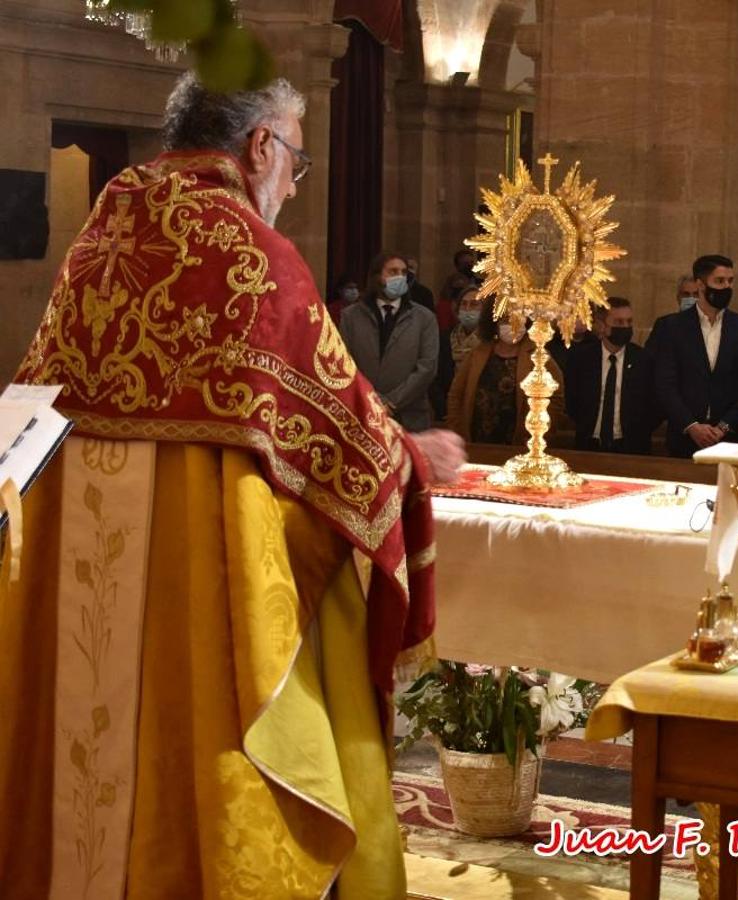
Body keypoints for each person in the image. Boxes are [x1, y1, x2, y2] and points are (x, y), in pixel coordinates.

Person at [1, 71, 464, 899]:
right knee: (206, 753)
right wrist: (411, 459)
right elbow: (344, 431)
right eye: (296, 157)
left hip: (78, 591)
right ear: (260, 148)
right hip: (204, 583)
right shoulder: (253, 255)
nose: (293, 179)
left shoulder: (102, 238)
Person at [653, 254, 738, 457]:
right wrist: (691, 425)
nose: (726, 287)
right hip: (684, 437)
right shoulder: (672, 327)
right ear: (700, 285)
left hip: (730, 438)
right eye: (719, 281)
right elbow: (665, 383)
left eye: (730, 281)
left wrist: (724, 427)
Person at [339, 252, 442, 432]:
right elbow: (344, 363)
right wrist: (372, 400)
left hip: (410, 417)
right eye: (393, 272)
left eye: (403, 273)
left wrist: (391, 402)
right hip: (363, 413)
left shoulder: (424, 318)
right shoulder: (351, 316)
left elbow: (427, 367)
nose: (399, 277)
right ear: (377, 276)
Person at [445, 304, 565, 444]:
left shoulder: (538, 355)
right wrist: (457, 430)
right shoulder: (478, 353)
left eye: (518, 319)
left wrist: (542, 435)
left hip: (521, 441)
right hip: (477, 438)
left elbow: (556, 397)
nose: (512, 325)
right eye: (506, 320)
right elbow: (456, 394)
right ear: (494, 322)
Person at [565, 297, 656, 454]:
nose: (625, 327)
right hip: (589, 445)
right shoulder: (581, 358)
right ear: (601, 326)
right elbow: (572, 401)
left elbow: (654, 405)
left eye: (629, 322)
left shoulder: (644, 359)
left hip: (631, 447)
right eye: (619, 322)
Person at [645, 274, 702, 360]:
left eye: (696, 294)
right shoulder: (664, 325)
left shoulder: (710, 326)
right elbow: (649, 358)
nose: (691, 298)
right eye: (686, 294)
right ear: (678, 297)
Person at [443, 284, 484, 367]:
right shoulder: (445, 339)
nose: (467, 308)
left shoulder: (489, 340)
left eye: (474, 304)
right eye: (464, 304)